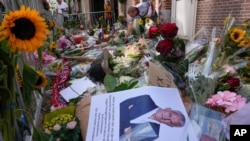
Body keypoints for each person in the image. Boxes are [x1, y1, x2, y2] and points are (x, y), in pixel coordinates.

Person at [120, 95, 186, 141]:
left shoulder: (154, 133)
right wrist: (127, 127)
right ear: (168, 109)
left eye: (170, 121)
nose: (166, 118)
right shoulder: (147, 99)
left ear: (169, 125)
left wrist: (127, 112)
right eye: (170, 115)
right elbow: (121, 106)